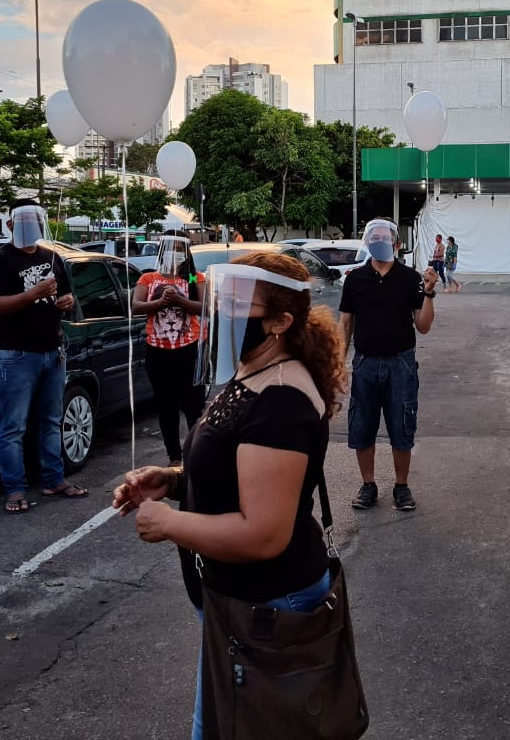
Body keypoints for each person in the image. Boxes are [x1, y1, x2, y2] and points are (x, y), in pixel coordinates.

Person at [112, 252, 347, 740]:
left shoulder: (280, 398)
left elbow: (262, 535)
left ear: (281, 322)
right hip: (235, 611)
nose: (222, 312)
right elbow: (232, 464)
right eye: (224, 298)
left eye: (240, 303)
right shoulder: (251, 372)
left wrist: (168, 524)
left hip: (268, 611)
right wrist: (173, 480)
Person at [0, 200, 86, 513]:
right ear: (10, 224)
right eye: (24, 220)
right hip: (15, 353)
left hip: (51, 351)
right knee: (13, 427)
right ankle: (15, 489)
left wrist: (66, 301)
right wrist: (32, 295)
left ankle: (54, 479)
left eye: (36, 220)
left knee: (51, 420)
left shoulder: (52, 256)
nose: (32, 226)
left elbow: (66, 295)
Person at [341, 218, 438, 511]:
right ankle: (368, 485)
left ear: (397, 244)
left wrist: (430, 292)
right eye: (375, 236)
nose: (380, 240)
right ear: (368, 242)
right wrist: (337, 363)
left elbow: (423, 326)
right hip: (366, 364)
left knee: (402, 424)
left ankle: (401, 486)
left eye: (385, 237)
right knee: (362, 425)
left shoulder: (411, 278)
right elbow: (345, 324)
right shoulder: (355, 279)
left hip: (401, 364)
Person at [131, 235, 206, 466]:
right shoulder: (149, 277)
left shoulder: (193, 276)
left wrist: (180, 301)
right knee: (166, 406)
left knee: (194, 406)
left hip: (189, 350)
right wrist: (161, 302)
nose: (175, 254)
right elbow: (136, 306)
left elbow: (205, 307)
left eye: (179, 249)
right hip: (158, 352)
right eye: (170, 248)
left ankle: (197, 454)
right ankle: (174, 457)